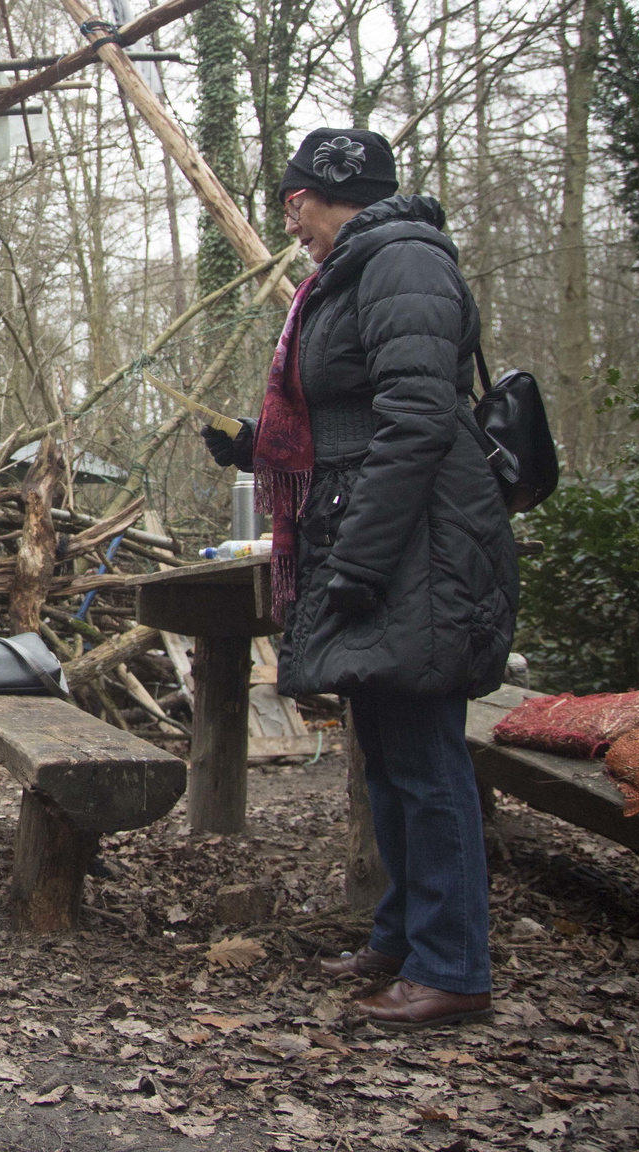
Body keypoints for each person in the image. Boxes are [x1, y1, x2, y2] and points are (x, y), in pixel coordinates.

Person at [202, 127, 517, 1030]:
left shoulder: (404, 264)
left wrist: (363, 561)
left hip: (420, 543)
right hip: (373, 528)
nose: (289, 224)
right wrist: (257, 447)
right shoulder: (353, 270)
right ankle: (400, 937)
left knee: (425, 755)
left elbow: (417, 422)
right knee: (385, 751)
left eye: (293, 204)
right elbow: (346, 410)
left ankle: (455, 967)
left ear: (314, 197)